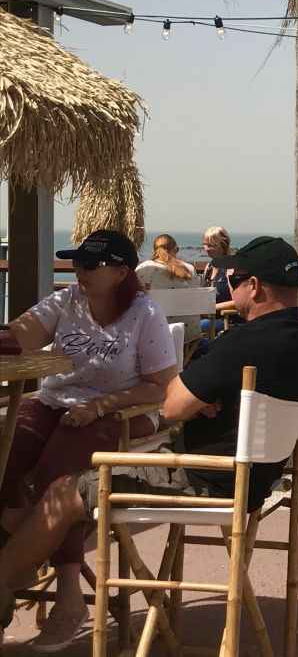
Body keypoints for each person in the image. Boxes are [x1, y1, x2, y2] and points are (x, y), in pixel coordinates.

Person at [0, 237, 298, 648]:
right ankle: (21, 545)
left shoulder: (243, 343)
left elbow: (173, 404)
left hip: (200, 479)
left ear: (253, 286)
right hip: (251, 482)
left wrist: (195, 394)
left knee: (63, 491)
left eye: (233, 279)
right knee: (41, 479)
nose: (227, 286)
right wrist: (203, 395)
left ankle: (16, 572)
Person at [0, 229, 177, 650]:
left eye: (89, 265)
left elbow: (161, 386)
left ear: (120, 273)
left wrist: (99, 406)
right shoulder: (67, 301)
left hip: (121, 411)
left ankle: (68, 597)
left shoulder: (145, 314)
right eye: (76, 262)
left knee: (56, 475)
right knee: (4, 454)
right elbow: (15, 337)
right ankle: (19, 549)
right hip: (55, 403)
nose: (78, 271)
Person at [136, 233, 203, 343]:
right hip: (188, 336)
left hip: (154, 335)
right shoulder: (189, 269)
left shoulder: (142, 269)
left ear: (154, 250)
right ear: (176, 249)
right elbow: (197, 300)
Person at [201, 225, 238, 332]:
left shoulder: (230, 269)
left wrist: (214, 307)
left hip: (226, 320)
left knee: (195, 329)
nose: (206, 249)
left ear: (222, 245)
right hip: (210, 318)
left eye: (211, 245)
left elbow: (238, 302)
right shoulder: (209, 267)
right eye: (205, 244)